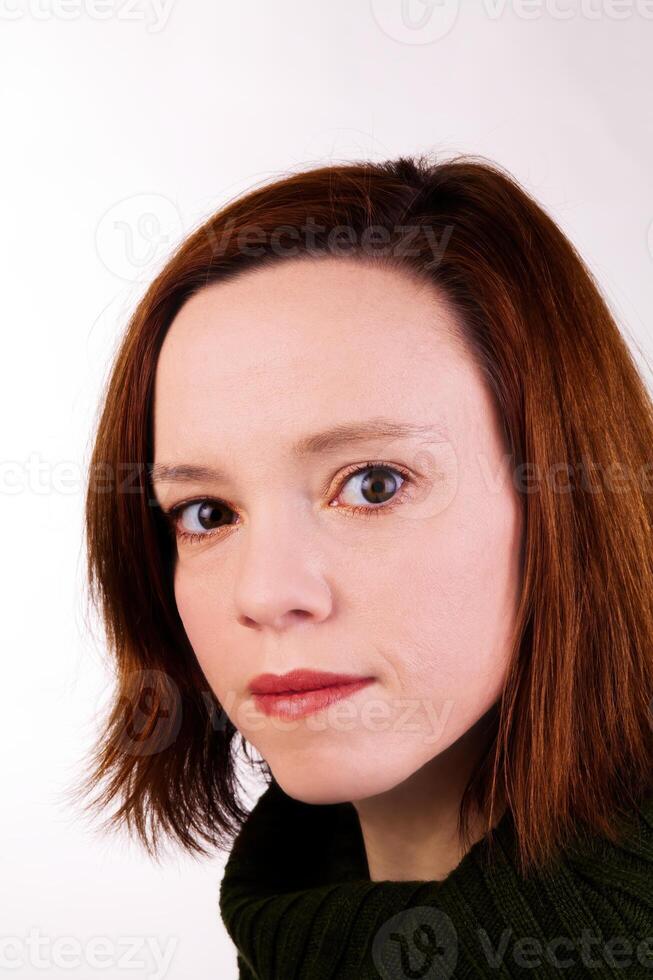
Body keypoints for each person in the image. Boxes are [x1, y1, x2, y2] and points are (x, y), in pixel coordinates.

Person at [77, 154, 653, 978]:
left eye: (373, 485)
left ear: (568, 500)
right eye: (207, 514)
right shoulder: (289, 925)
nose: (267, 594)